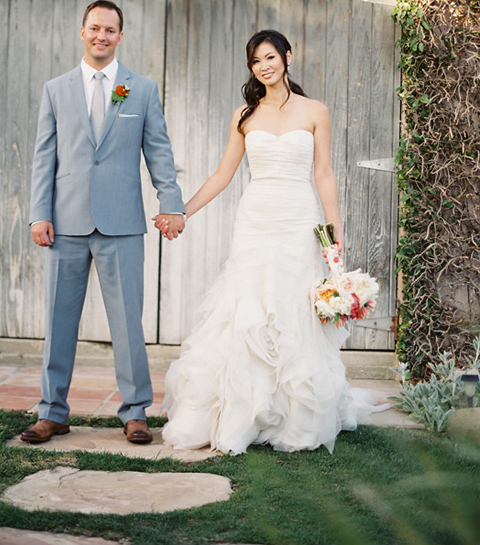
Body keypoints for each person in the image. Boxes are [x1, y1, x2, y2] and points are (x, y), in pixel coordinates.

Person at [154, 29, 381, 455]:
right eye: (256, 60)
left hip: (298, 219)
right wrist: (182, 211)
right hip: (254, 220)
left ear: (287, 57)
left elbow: (324, 175)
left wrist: (334, 235)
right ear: (252, 68)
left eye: (271, 56)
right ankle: (243, 411)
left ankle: (293, 416)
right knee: (247, 309)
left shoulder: (315, 111)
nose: (264, 66)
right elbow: (223, 174)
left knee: (293, 308)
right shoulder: (245, 115)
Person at [21, 0, 185, 446]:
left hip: (122, 224)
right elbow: (43, 158)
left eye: (110, 30)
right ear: (82, 32)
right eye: (94, 28)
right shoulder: (56, 89)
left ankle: (135, 413)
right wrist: (39, 212)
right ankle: (52, 412)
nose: (101, 36)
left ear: (120, 36)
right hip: (65, 222)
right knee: (59, 322)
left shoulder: (142, 89)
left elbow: (160, 154)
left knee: (128, 323)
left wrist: (172, 205)